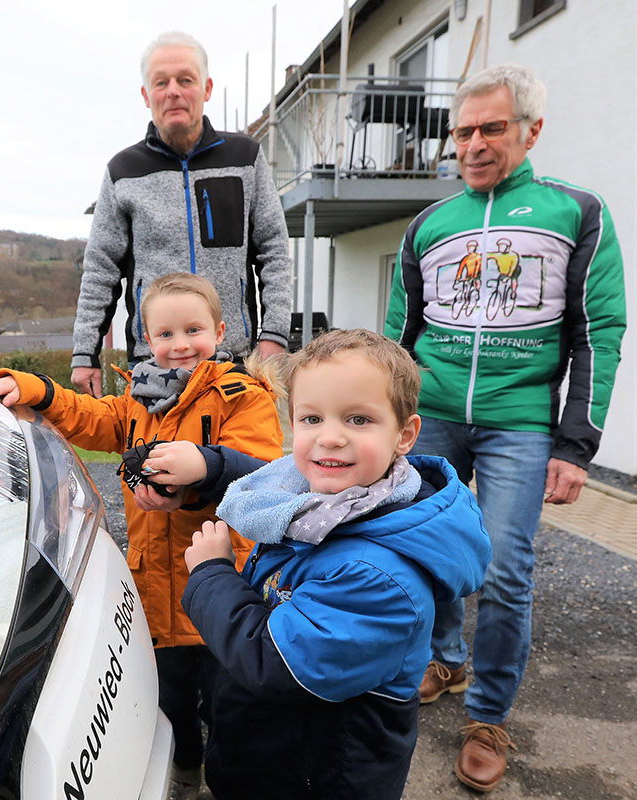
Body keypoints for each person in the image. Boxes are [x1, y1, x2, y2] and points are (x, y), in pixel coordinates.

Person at [385, 63, 626, 792]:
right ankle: (447, 658)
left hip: (521, 424)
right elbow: (400, 336)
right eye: (463, 131)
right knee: (425, 551)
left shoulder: (576, 212)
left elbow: (599, 332)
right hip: (433, 417)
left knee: (503, 569)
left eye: (492, 128)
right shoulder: (429, 224)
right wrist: (388, 422)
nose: (475, 143)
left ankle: (488, 712)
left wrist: (575, 444)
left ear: (531, 131)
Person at [0, 273, 282, 800]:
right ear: (146, 340)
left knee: (232, 704)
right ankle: (185, 767)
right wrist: (36, 390)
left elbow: (262, 479)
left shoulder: (242, 397)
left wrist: (200, 475)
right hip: (157, 593)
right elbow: (91, 418)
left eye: (194, 330)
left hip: (225, 589)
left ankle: (232, 782)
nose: (180, 345)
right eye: (165, 334)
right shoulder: (137, 397)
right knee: (170, 700)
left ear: (220, 331)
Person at [179, 329, 491, 800]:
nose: (329, 437)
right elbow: (272, 483)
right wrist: (209, 468)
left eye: (358, 419)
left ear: (404, 434)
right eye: (311, 418)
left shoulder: (378, 578)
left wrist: (210, 576)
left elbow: (275, 664)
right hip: (266, 752)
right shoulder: (330, 497)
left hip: (312, 778)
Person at [70, 31, 292, 397]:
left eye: (185, 80)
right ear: (146, 95)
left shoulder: (245, 158)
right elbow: (100, 269)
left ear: (205, 88)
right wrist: (84, 353)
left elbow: (274, 251)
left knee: (238, 457)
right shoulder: (123, 171)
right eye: (161, 82)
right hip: (153, 365)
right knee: (153, 456)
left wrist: (274, 335)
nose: (173, 90)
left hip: (232, 362)